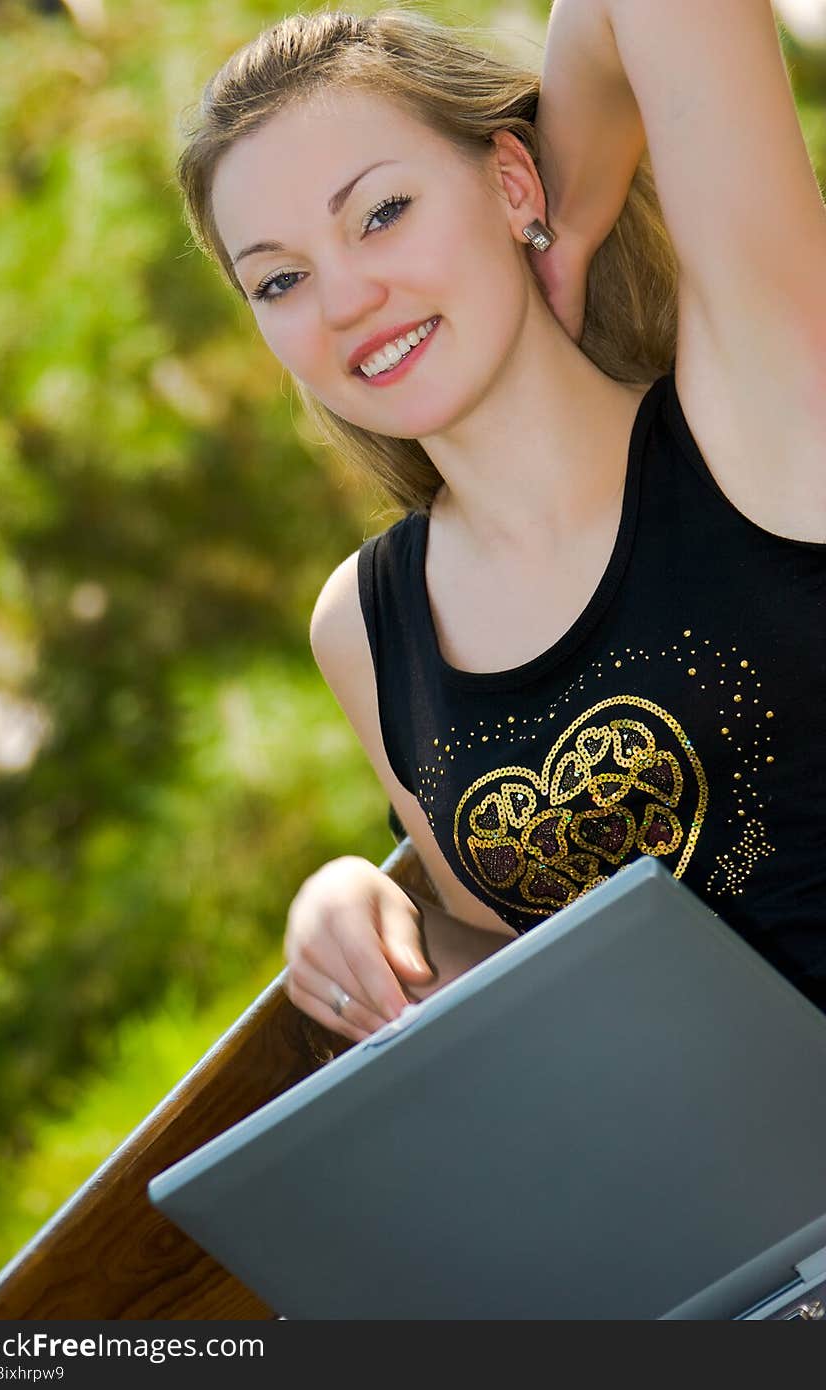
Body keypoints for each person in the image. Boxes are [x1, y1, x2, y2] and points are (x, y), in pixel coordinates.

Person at [176, 2, 826, 1045]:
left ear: (509, 178)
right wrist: (369, 915)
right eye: (281, 279)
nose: (345, 300)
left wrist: (568, 213)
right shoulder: (365, 626)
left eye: (381, 212)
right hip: (718, 1198)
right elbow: (537, 977)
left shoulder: (757, 412)